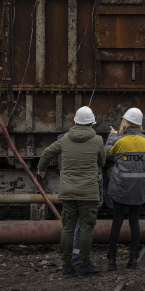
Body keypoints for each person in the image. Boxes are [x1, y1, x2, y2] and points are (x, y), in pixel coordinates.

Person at [37, 106, 106, 277]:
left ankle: (67, 267)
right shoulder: (97, 140)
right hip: (88, 193)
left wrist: (41, 170)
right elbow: (102, 162)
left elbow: (47, 152)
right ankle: (84, 264)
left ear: (75, 122)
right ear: (92, 124)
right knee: (86, 229)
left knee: (67, 228)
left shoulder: (65, 139)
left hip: (68, 192)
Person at [104, 107, 145, 271]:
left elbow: (107, 155)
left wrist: (112, 136)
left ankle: (112, 262)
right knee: (134, 223)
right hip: (139, 190)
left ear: (126, 122)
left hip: (120, 190)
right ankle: (133, 261)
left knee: (116, 223)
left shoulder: (120, 141)